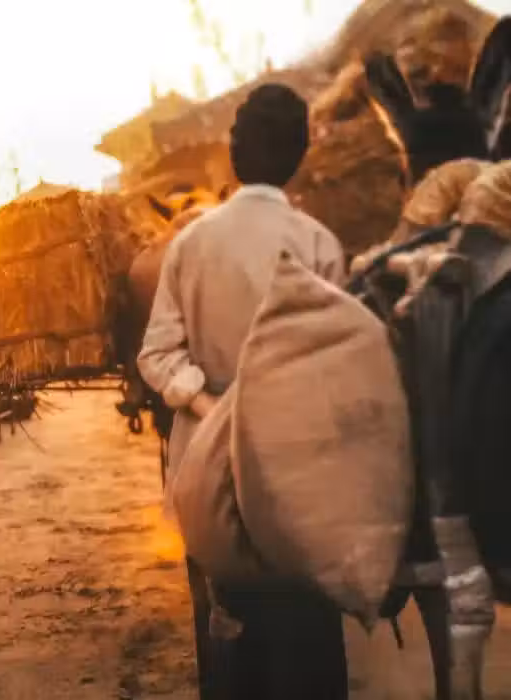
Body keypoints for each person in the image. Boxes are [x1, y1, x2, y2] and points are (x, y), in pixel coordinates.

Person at [137, 83, 348, 700]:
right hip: (299, 475)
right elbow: (338, 370)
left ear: (234, 152)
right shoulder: (319, 244)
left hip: (209, 472)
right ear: (300, 154)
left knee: (227, 630)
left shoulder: (190, 244)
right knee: (308, 632)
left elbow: (156, 355)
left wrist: (213, 407)